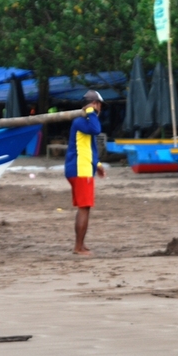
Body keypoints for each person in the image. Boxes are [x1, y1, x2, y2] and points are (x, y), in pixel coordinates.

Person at [64, 90, 107, 255]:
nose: (100, 109)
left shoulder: (84, 122)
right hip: (80, 169)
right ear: (95, 104)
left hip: (81, 168)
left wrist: (98, 165)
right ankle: (78, 247)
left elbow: (90, 148)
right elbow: (96, 129)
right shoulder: (81, 121)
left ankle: (80, 244)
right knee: (84, 207)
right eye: (99, 105)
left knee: (85, 207)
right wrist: (91, 111)